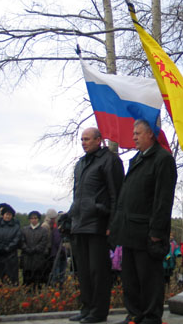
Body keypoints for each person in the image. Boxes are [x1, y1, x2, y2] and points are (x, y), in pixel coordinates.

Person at [110, 119, 177, 324]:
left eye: (138, 133)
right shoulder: (137, 159)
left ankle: (150, 317)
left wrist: (157, 231)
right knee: (130, 278)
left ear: (150, 135)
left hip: (147, 233)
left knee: (148, 278)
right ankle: (134, 314)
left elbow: (163, 199)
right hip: (128, 231)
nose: (134, 137)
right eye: (134, 133)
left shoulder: (163, 159)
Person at [68, 127, 124, 324]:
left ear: (99, 140)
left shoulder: (109, 160)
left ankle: (99, 312)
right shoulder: (80, 164)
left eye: (87, 139)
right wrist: (71, 215)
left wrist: (112, 223)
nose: (84, 142)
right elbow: (78, 193)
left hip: (99, 224)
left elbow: (116, 194)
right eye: (82, 139)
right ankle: (87, 308)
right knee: (83, 271)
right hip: (80, 223)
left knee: (98, 271)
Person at [0, 204, 22, 284]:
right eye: (6, 214)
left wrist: (8, 248)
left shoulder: (16, 227)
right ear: (3, 215)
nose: (8, 216)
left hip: (10, 256)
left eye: (10, 215)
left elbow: (16, 239)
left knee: (10, 280)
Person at [21, 211, 49, 286]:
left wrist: (35, 249)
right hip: (27, 259)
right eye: (32, 218)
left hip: (38, 259)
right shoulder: (24, 230)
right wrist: (27, 249)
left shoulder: (43, 230)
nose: (33, 220)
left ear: (38, 219)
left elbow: (43, 243)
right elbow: (22, 241)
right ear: (29, 219)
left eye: (35, 218)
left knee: (37, 281)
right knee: (26, 281)